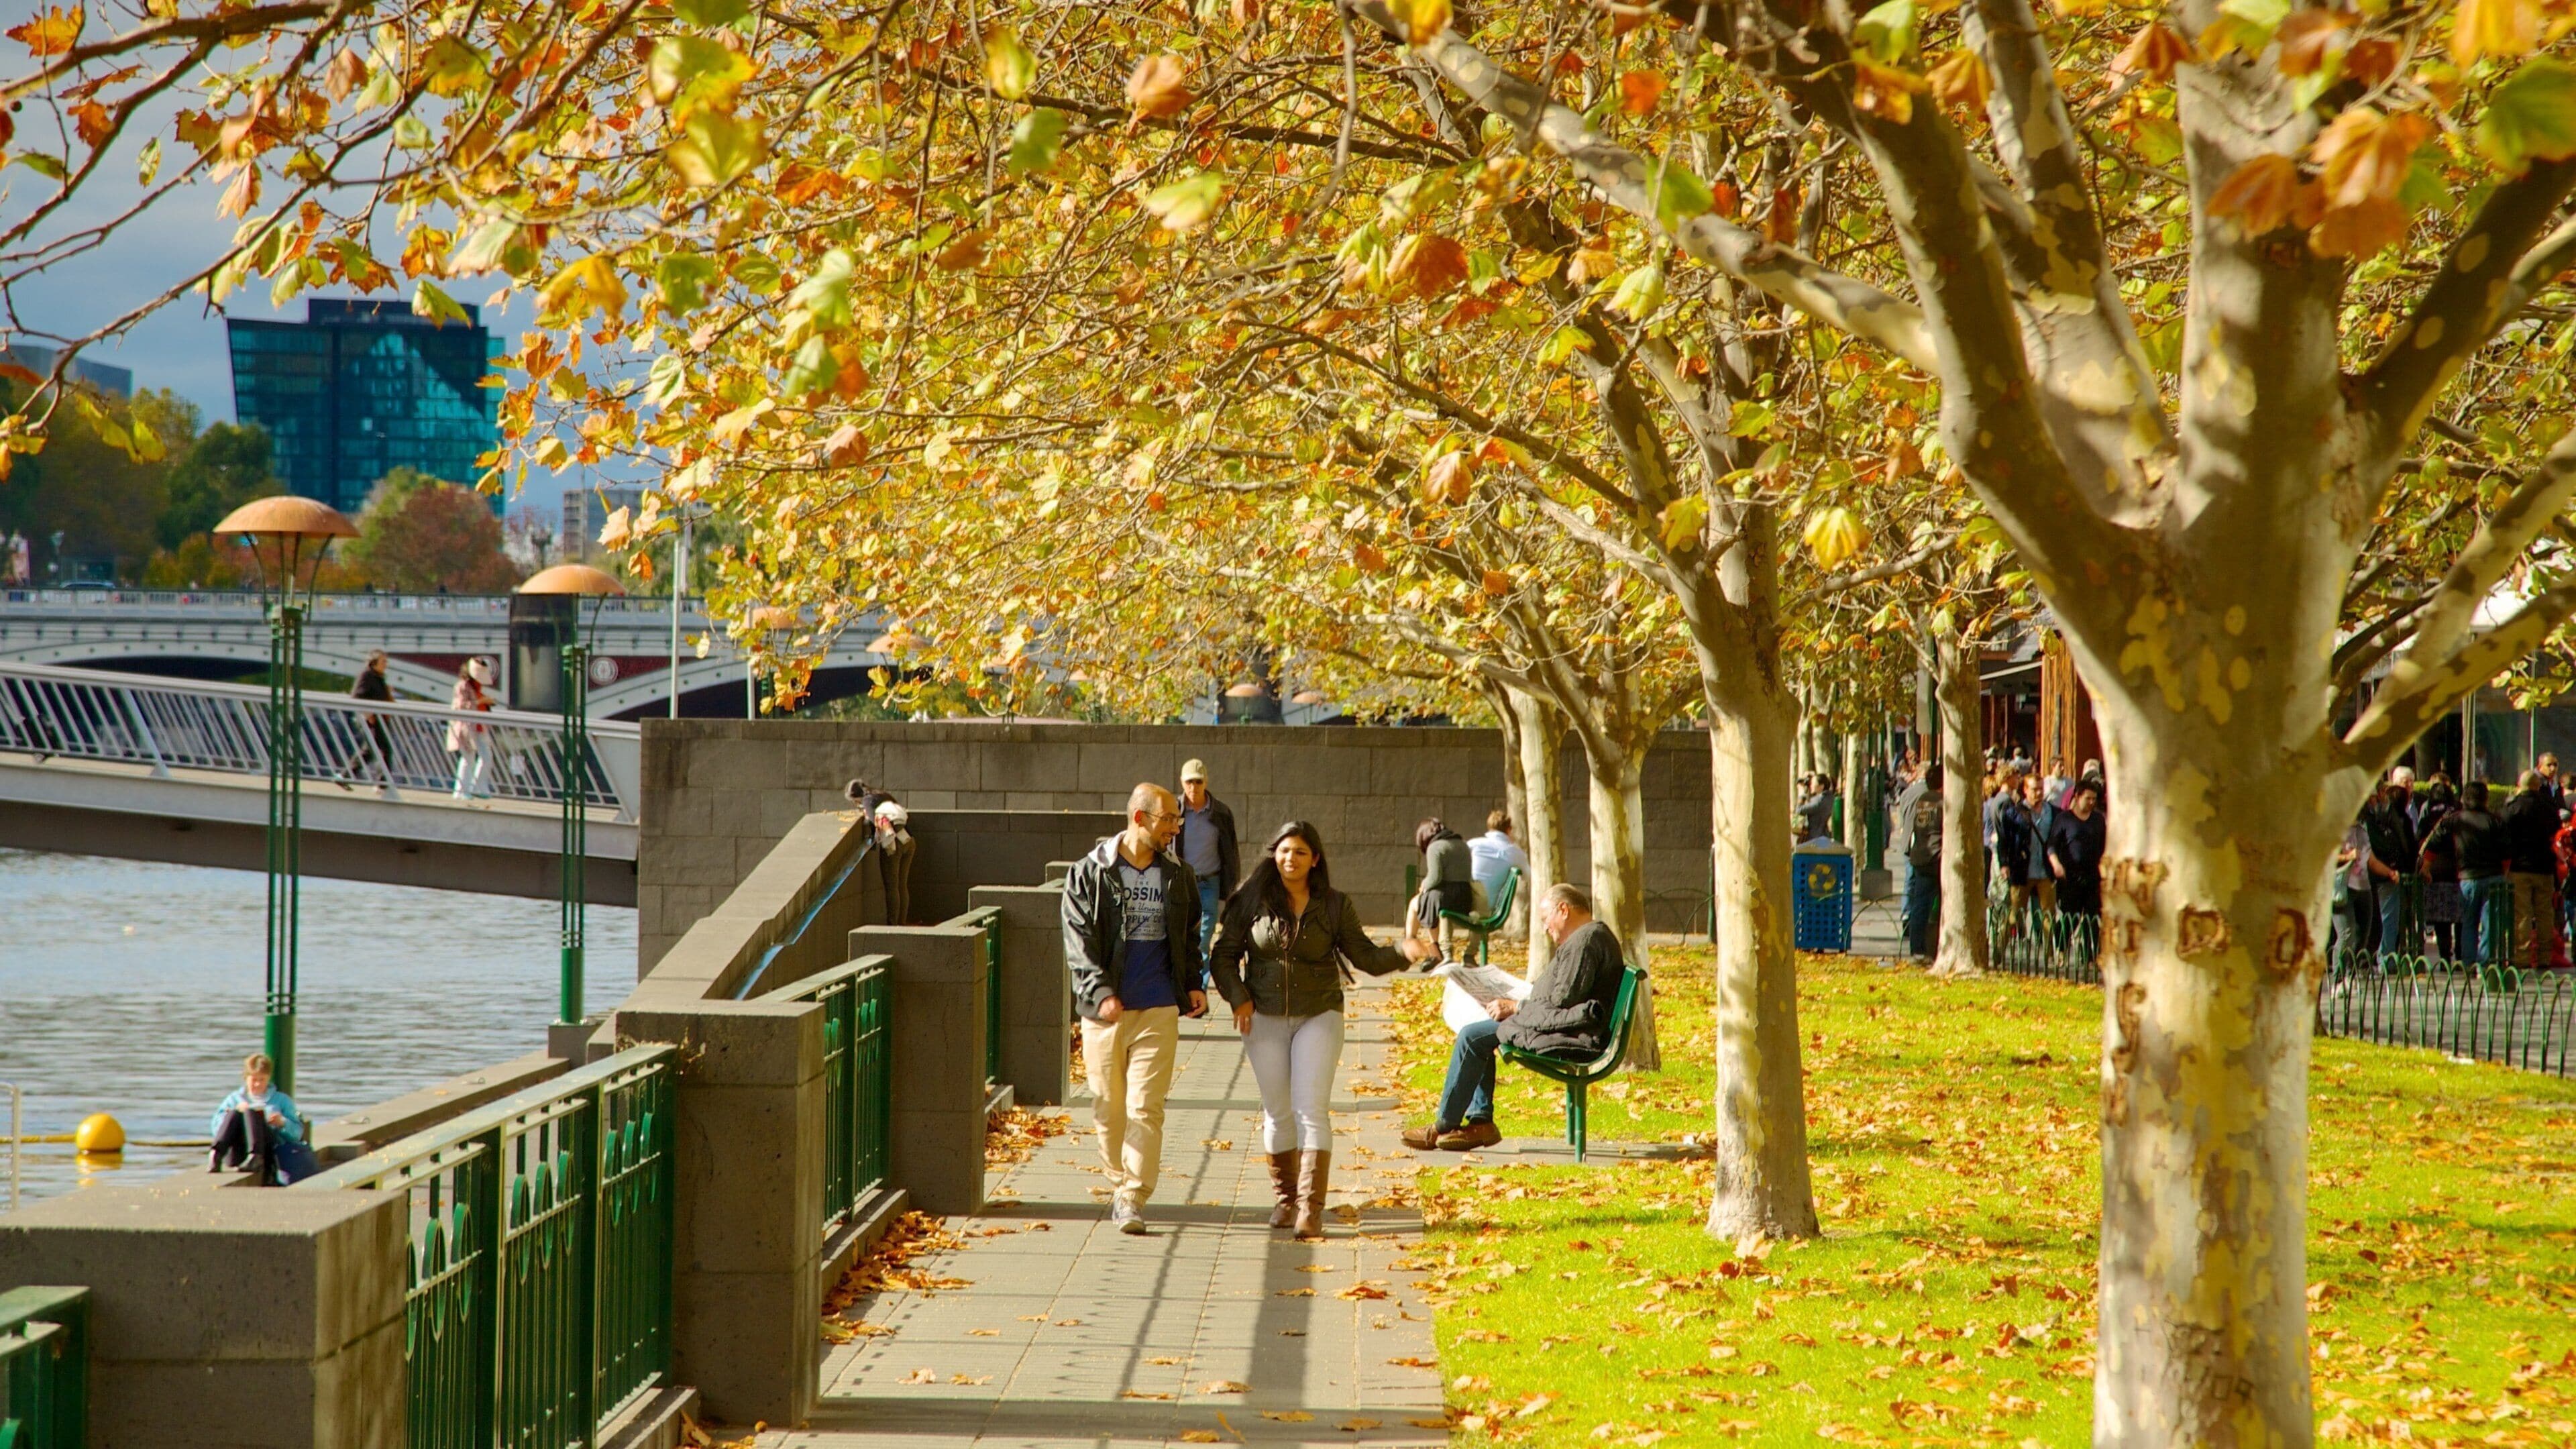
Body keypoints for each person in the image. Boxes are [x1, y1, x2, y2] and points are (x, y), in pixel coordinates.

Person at [1210, 822, 1432, 1236]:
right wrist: (1238, 996)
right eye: (1283, 851)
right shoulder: (1250, 900)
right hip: (1263, 1017)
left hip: (1319, 1014)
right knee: (1278, 1112)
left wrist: (1403, 950)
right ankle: (1287, 1199)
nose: (1289, 859)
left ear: (1315, 859)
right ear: (1273, 854)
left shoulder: (1334, 905)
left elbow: (1364, 956)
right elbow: (1223, 956)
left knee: (1310, 1109)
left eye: (1299, 852)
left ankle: (1311, 1209)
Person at [1059, 784, 1207, 1235]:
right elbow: (1078, 942)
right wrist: (1101, 991)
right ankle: (1119, 1180)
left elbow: (1189, 933)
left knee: (1146, 1107)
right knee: (1109, 1109)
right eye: (1168, 820)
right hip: (1104, 1011)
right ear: (1140, 819)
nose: (1175, 829)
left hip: (1158, 1005)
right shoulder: (1089, 873)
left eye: (1178, 821)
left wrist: (1191, 985)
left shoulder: (1178, 874)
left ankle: (1132, 1196)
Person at [1401, 883, 1627, 1156]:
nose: (1546, 928)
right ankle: (1480, 1122)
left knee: (1472, 1037)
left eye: (1546, 920)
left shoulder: (1586, 941)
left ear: (1563, 910)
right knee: (1476, 1032)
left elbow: (1561, 1002)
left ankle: (1445, 1126)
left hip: (1573, 1034)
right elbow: (1561, 998)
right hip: (1566, 1025)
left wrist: (1517, 1006)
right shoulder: (1587, 937)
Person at [2425, 781, 2506, 963]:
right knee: (2490, 923)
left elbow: (2434, 842)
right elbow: (2507, 851)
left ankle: (2468, 961)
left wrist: (2426, 867)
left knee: (2468, 922)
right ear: (2486, 799)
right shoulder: (2495, 820)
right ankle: (2485, 963)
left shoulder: (2455, 820)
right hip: (2493, 876)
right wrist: (2505, 873)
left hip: (2467, 878)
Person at [209, 1052, 319, 1185]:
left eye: (262, 1080)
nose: (257, 1084)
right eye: (254, 1080)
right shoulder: (233, 1099)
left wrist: (282, 1123)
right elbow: (216, 1128)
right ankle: (216, 1154)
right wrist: (230, 1114)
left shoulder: (281, 1100)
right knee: (235, 1112)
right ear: (246, 1078)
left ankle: (255, 1156)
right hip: (237, 1151)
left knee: (252, 1113)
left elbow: (297, 1134)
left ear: (268, 1078)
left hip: (266, 1151)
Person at [1175, 759, 1239, 961]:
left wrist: (1231, 884)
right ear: (1182, 783)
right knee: (1179, 935)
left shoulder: (1221, 812)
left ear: (1206, 782)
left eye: (1198, 782)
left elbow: (1231, 851)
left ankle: (1199, 990)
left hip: (1209, 882)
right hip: (1181, 881)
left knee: (1203, 940)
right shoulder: (1173, 811)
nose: (1193, 787)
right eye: (1189, 782)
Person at [2498, 769, 2561, 969]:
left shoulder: (2512, 808)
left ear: (2520, 786)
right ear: (2537, 786)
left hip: (2519, 868)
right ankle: (2544, 957)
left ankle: (2522, 957)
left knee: (2522, 914)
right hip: (2544, 867)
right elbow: (2555, 830)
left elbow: (2503, 835)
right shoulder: (2549, 807)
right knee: (2545, 914)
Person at [2360, 769, 2419, 961]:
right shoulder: (2372, 818)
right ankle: (2385, 958)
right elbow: (2378, 846)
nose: (2380, 799)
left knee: (2385, 918)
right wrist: (2392, 868)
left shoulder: (2381, 816)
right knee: (2387, 918)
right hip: (2382, 874)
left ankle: (2381, 957)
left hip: (2383, 873)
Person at [1409, 818, 1484, 961]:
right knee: (1430, 900)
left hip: (1445, 899)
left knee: (1420, 902)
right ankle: (1433, 948)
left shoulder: (1435, 847)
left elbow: (1435, 878)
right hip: (1465, 898)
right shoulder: (1463, 845)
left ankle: (1415, 945)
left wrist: (1423, 885)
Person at [2414, 779, 2462, 961]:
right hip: (2458, 871)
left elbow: (2420, 842)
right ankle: (2462, 957)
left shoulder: (2428, 819)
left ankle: (2444, 959)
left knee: (2442, 920)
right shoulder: (2458, 816)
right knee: (2460, 918)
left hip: (2434, 871)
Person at [2046, 780, 2108, 916]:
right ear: (2077, 797)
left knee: (2092, 922)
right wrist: (2056, 865)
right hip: (2070, 878)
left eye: (2094, 799)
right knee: (2069, 920)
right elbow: (2052, 845)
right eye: (2088, 799)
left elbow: (2105, 846)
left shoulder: (2098, 820)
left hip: (2093, 878)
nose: (2092, 802)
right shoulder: (2064, 819)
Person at [1901, 763, 1943, 959]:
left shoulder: (1924, 800)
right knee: (1937, 903)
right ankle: (1931, 947)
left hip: (1919, 855)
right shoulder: (1943, 802)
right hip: (1936, 857)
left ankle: (1917, 948)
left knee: (1920, 903)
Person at [344, 649, 397, 793]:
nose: (386, 664)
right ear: (374, 663)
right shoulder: (367, 675)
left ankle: (345, 776)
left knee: (371, 750)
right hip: (372, 720)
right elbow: (357, 696)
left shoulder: (378, 677)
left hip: (379, 719)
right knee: (383, 749)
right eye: (383, 661)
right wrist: (369, 715)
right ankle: (382, 784)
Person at [445, 657, 495, 799]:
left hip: (479, 726)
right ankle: (461, 791)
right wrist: (481, 701)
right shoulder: (462, 686)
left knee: (487, 757)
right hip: (466, 727)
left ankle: (478, 787)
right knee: (468, 758)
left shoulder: (476, 686)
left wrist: (486, 702)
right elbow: (461, 706)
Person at [875, 800, 916, 925]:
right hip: (909, 840)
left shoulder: (872, 806)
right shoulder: (889, 803)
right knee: (902, 884)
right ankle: (902, 922)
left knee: (892, 886)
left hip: (895, 843)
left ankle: (893, 925)